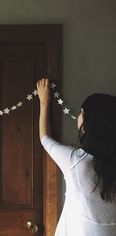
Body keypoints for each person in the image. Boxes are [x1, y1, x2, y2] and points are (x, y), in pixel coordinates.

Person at [37, 78, 116, 236]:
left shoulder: (76, 162)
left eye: (81, 112)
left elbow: (45, 138)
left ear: (88, 120)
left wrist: (44, 102)